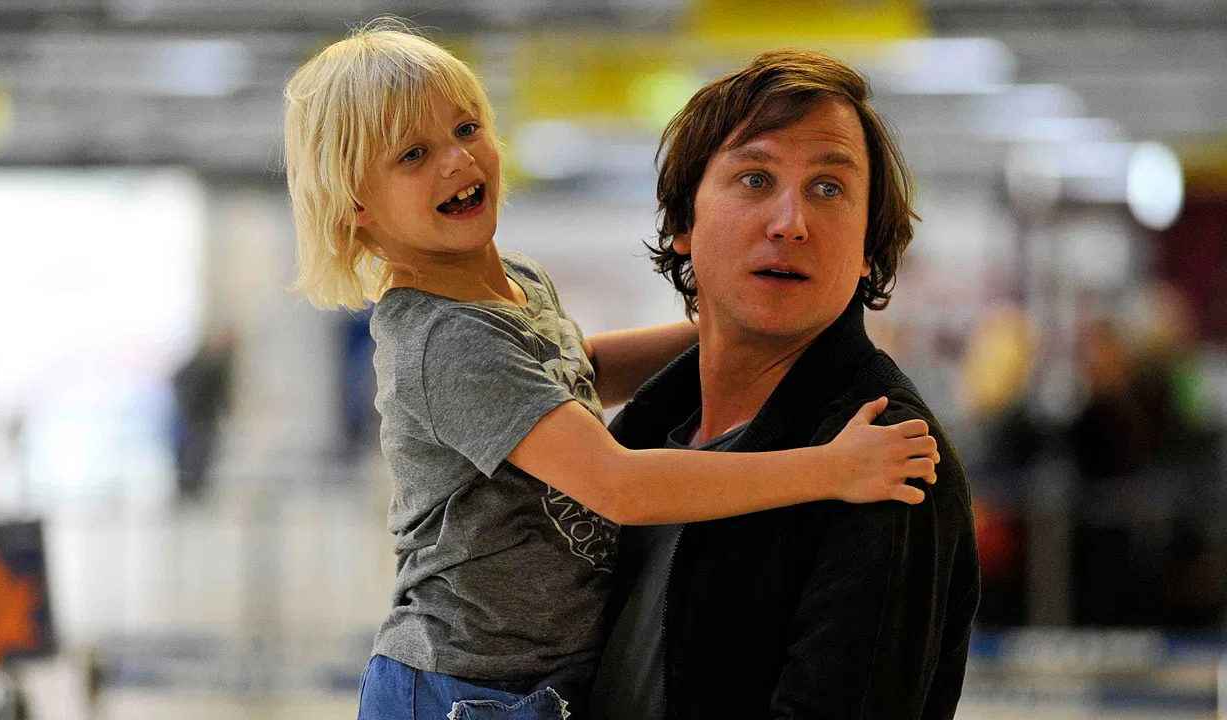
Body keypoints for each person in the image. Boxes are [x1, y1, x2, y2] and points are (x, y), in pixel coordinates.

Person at [283, 22, 941, 720]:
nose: (457, 160)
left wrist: (735, 321)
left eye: (467, 128)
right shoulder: (445, 341)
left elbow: (578, 371)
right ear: (356, 205)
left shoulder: (514, 284)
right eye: (413, 154)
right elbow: (618, 486)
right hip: (466, 691)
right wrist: (832, 469)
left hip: (529, 681)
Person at [591, 50, 981, 719]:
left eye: (828, 189)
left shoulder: (886, 457)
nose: (790, 222)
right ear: (684, 223)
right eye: (755, 179)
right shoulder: (642, 432)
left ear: (868, 248)